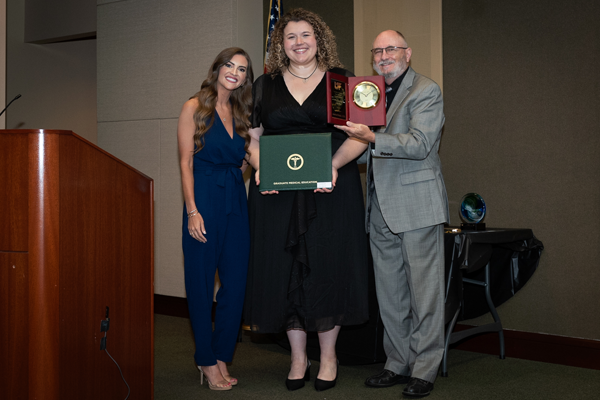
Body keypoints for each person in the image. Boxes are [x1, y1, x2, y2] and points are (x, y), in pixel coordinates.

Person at [243, 8, 369, 392]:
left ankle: (327, 356)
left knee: (328, 267)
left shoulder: (341, 81)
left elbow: (361, 135)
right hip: (277, 193)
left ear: (320, 39)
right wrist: (261, 168)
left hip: (331, 189)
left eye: (306, 35)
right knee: (285, 270)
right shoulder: (264, 85)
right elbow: (252, 138)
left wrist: (332, 166)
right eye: (290, 37)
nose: (299, 43)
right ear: (281, 44)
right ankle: (298, 358)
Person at [335, 30, 449, 398]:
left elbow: (419, 145)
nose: (384, 56)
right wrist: (335, 153)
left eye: (391, 49)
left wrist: (369, 138)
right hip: (380, 208)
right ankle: (397, 363)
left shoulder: (426, 91)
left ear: (407, 53)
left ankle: (425, 369)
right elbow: (369, 153)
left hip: (417, 206)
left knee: (424, 293)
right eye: (377, 51)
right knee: (390, 295)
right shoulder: (371, 94)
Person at [177, 47, 254, 391]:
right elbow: (185, 162)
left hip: (236, 199)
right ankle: (206, 361)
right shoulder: (194, 106)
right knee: (200, 283)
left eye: (241, 69)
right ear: (217, 68)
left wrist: (253, 163)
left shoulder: (240, 113)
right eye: (229, 65)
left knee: (235, 284)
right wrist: (192, 210)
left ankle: (222, 354)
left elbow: (243, 162)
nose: (234, 72)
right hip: (204, 198)